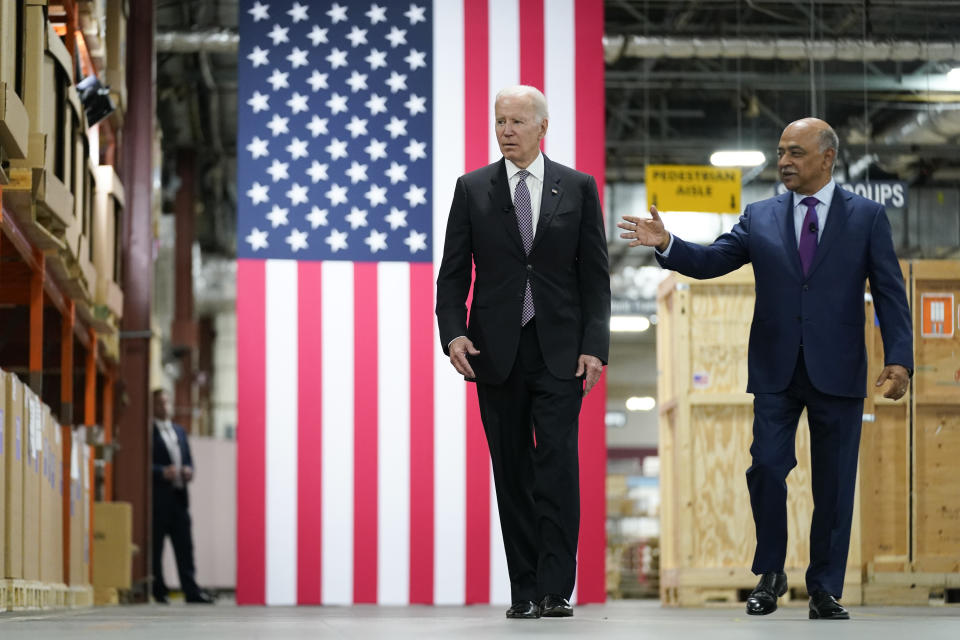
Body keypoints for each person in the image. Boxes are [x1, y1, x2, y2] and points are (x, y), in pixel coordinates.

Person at [618, 117, 912, 621]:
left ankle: (824, 589)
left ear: (827, 158)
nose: (784, 162)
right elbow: (713, 260)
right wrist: (667, 244)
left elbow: (889, 291)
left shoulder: (866, 217)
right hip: (776, 369)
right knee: (767, 468)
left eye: (796, 152)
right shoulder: (760, 215)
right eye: (780, 152)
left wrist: (900, 358)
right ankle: (770, 573)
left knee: (834, 486)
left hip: (838, 370)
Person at [436, 85, 610, 619]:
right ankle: (524, 590)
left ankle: (557, 588)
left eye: (515, 122)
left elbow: (595, 279)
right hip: (496, 351)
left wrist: (594, 347)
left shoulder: (577, 188)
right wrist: (453, 333)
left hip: (560, 352)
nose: (505, 130)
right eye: (499, 122)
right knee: (512, 472)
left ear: (542, 128)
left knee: (556, 467)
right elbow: (453, 273)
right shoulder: (473, 189)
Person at [151, 388, 214, 604]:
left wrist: (188, 470)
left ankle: (191, 590)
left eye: (167, 402)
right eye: (160, 403)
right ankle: (159, 591)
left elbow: (189, 460)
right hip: (159, 499)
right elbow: (142, 466)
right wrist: (161, 472)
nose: (165, 407)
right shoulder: (148, 432)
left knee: (185, 546)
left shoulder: (179, 432)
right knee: (156, 547)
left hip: (179, 497)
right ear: (153, 406)